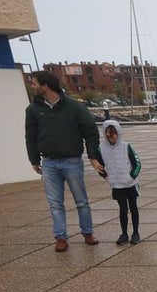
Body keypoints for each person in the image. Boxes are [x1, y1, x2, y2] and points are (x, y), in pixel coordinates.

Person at [24, 70, 103, 251]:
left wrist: (93, 157)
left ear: (45, 86)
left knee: (81, 200)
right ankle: (61, 237)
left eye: (34, 83)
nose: (32, 86)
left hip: (72, 161)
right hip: (49, 162)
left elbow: (90, 133)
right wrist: (34, 159)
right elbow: (30, 136)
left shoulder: (74, 107)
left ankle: (88, 232)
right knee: (55, 203)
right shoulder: (33, 110)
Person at [98, 119, 143, 245]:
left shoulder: (126, 146)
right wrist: (107, 177)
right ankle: (124, 233)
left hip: (130, 184)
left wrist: (131, 176)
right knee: (123, 209)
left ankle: (135, 232)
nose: (111, 137)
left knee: (133, 207)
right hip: (116, 184)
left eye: (113, 134)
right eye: (108, 134)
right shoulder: (101, 148)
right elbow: (99, 166)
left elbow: (137, 163)